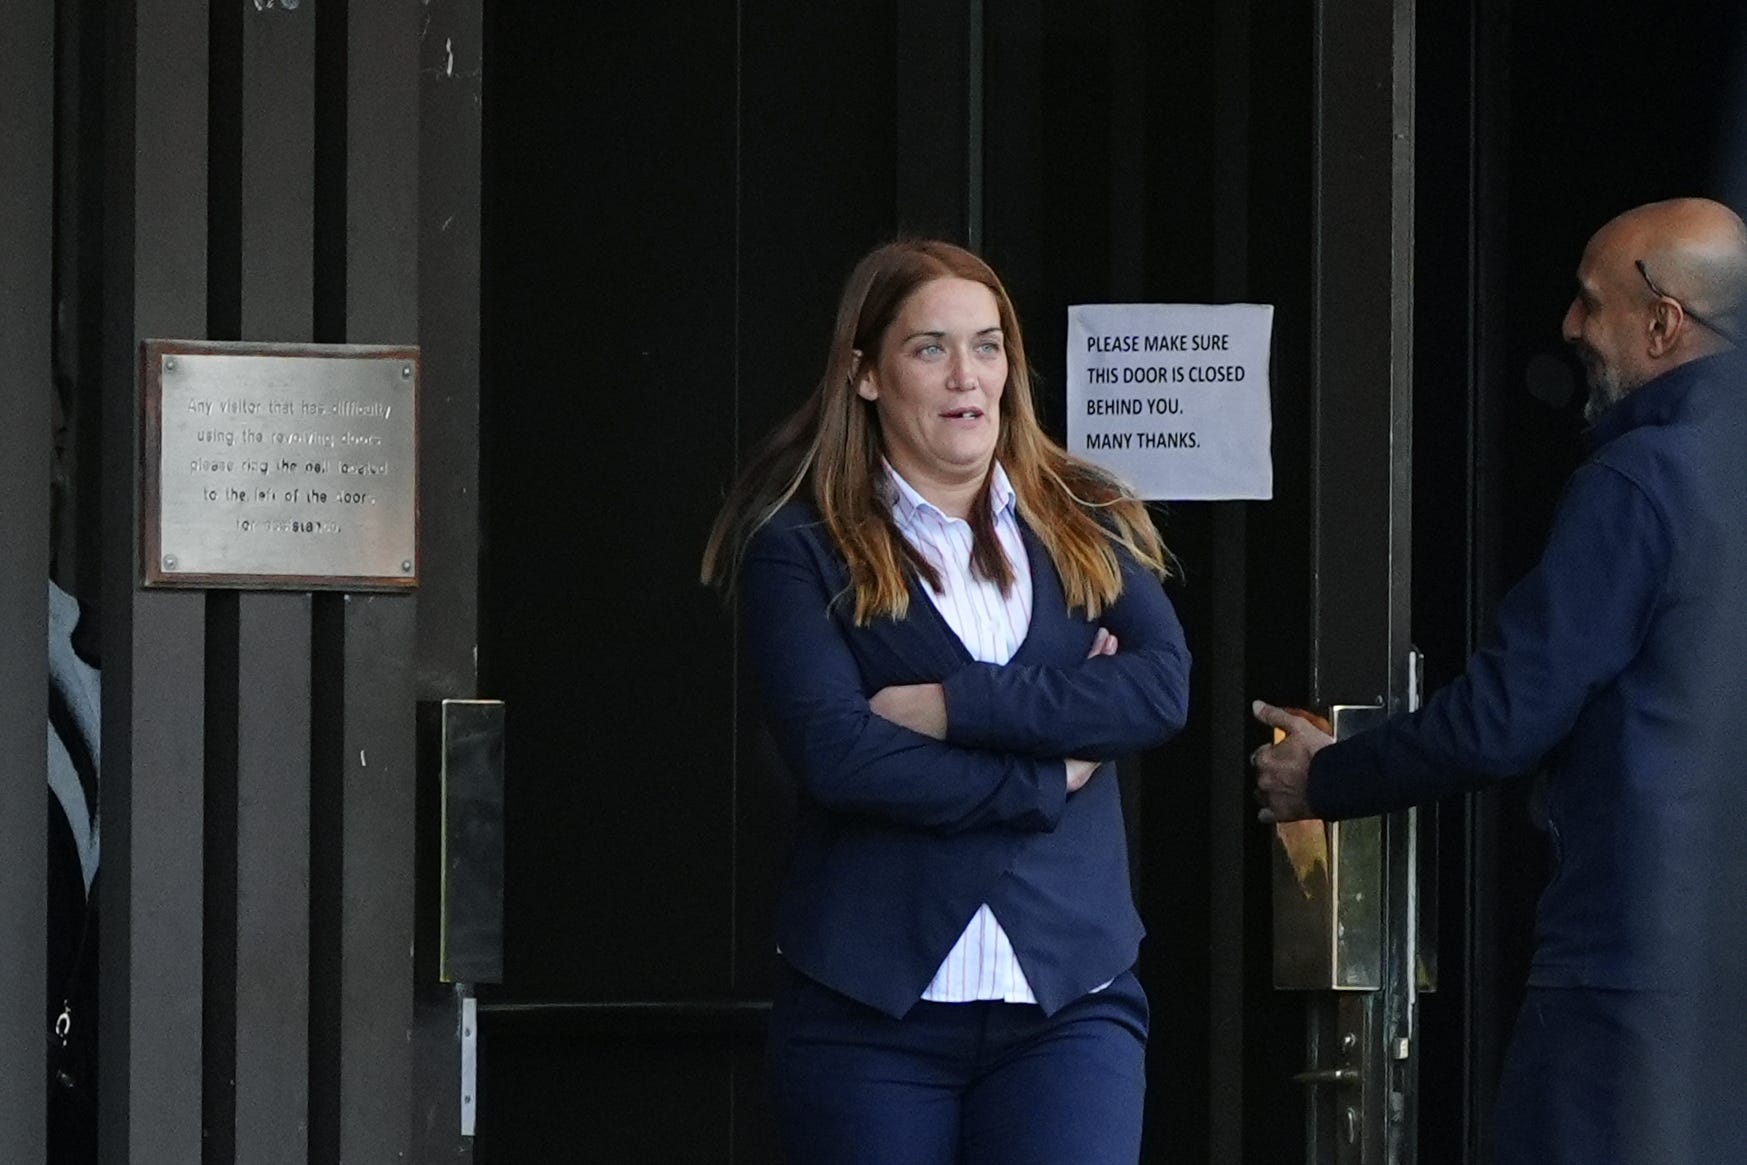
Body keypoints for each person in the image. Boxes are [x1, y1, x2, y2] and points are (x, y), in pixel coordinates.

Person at [1251, 197, 1747, 1164]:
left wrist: (1328, 775)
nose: (1568, 327)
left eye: (1587, 301)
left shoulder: (1644, 480)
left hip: (1633, 970)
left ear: (1661, 322)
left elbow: (1505, 718)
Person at [703, 239, 1190, 1164]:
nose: (966, 375)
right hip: (868, 1018)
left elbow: (1159, 688)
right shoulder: (799, 547)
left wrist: (952, 705)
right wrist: (1047, 776)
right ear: (866, 374)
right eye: (929, 347)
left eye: (987, 344)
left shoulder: (1084, 516)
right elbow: (840, 755)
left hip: (1069, 1004)